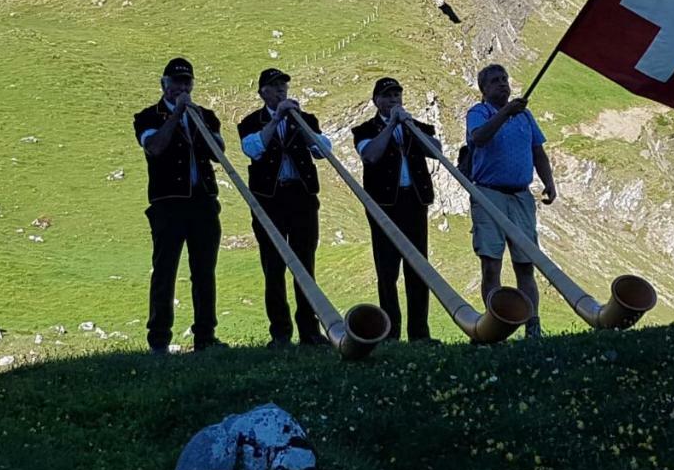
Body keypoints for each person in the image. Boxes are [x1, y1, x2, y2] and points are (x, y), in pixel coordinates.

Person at [133, 57, 227, 354]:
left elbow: (218, 152)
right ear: (164, 85)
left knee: (204, 270)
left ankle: (205, 335)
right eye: (176, 83)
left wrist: (195, 117)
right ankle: (159, 338)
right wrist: (176, 116)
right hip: (168, 205)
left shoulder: (205, 116)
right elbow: (155, 147)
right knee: (165, 270)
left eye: (187, 82)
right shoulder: (148, 116)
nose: (182, 88)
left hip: (203, 203)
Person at [238, 68, 333, 348]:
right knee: (273, 267)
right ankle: (280, 333)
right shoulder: (250, 122)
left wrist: (299, 123)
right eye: (274, 87)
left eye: (283, 86)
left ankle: (310, 331)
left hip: (301, 199)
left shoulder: (305, 119)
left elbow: (323, 150)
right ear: (262, 93)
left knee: (306, 264)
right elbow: (253, 149)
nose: (281, 91)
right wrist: (277, 117)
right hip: (269, 201)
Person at [465, 63, 557, 339]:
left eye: (504, 79)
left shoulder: (524, 116)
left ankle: (533, 325)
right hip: (488, 194)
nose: (502, 84)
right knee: (491, 263)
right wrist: (506, 112)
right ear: (483, 89)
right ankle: (496, 325)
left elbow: (537, 151)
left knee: (525, 263)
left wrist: (549, 182)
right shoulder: (479, 112)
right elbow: (478, 137)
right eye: (495, 81)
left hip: (520, 196)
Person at [352, 77, 443, 343]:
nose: (394, 101)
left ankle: (419, 333)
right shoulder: (365, 129)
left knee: (418, 268)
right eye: (388, 96)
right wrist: (391, 125)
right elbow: (370, 156)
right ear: (376, 101)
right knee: (387, 271)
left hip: (414, 203)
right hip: (384, 207)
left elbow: (436, 152)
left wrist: (410, 126)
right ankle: (390, 334)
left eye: (397, 96)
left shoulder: (415, 127)